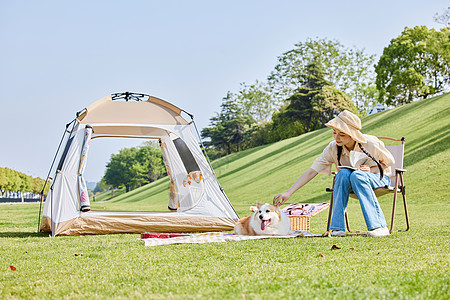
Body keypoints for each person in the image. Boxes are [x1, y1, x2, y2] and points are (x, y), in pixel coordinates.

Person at [273, 110, 395, 237]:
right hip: (353, 180)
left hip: (378, 178)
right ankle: (338, 228)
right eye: (334, 133)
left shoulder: (370, 143)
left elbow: (389, 162)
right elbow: (312, 171)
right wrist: (288, 192)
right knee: (342, 174)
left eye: (341, 135)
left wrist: (371, 170)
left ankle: (379, 226)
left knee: (357, 175)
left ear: (352, 135)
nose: (336, 138)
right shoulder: (333, 147)